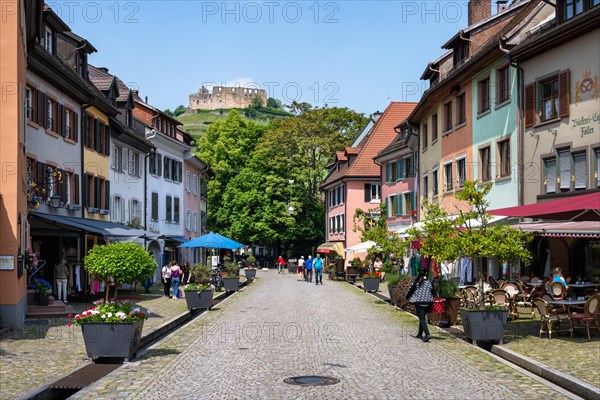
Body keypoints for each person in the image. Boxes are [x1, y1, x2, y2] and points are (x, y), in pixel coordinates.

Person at [406, 266, 435, 342]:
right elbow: (433, 292)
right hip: (428, 303)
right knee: (422, 317)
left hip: (419, 303)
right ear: (426, 273)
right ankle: (419, 334)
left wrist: (407, 298)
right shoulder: (429, 282)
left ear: (418, 272)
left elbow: (411, 291)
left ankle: (427, 334)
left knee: (422, 319)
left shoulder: (416, 282)